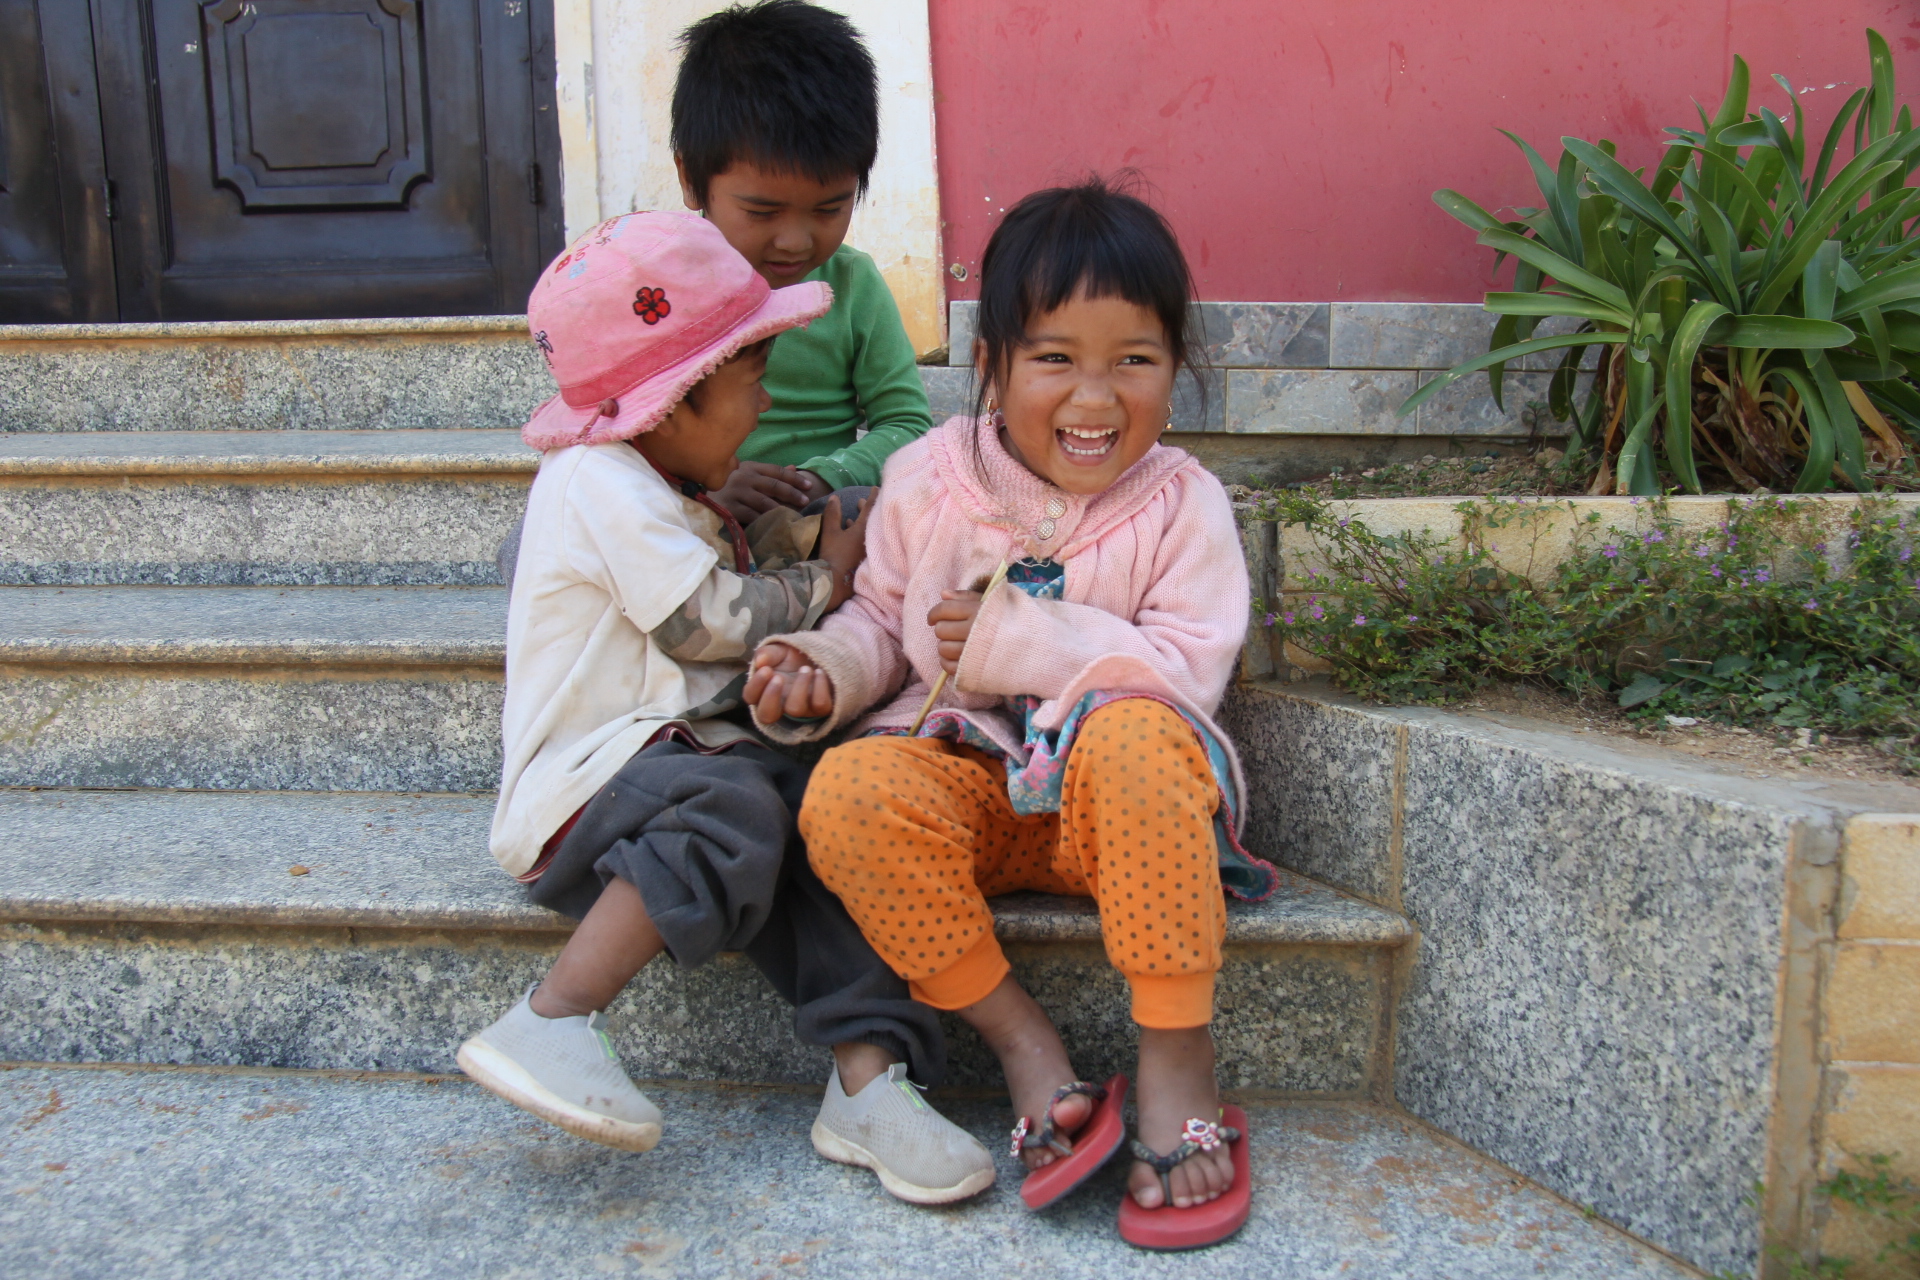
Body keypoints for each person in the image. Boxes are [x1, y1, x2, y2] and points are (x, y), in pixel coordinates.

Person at [743, 179, 1275, 1249]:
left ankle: (1176, 1055)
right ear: (989, 368)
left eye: (1136, 358)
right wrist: (821, 663)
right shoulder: (925, 479)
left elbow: (1186, 672)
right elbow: (882, 623)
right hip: (968, 800)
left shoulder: (1184, 506)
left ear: (1179, 368)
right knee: (845, 788)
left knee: (1131, 726)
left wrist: (1023, 639)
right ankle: (1025, 1042)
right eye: (1055, 358)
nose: (1095, 394)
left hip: (1124, 817)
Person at [459, 210, 994, 1207]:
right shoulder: (591, 481)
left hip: (677, 772)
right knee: (744, 801)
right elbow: (705, 620)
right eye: (752, 375)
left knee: (826, 809)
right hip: (586, 796)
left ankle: (866, 1079)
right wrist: (829, 580)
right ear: (671, 402)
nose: (766, 398)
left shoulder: (658, 480)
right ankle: (556, 1015)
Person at [670, 0, 935, 525]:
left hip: (810, 512)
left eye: (829, 208)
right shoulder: (656, 288)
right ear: (690, 179)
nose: (795, 241)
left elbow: (907, 425)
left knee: (868, 509)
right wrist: (702, 490)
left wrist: (825, 476)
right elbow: (613, 430)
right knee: (537, 539)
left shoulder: (852, 284)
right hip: (689, 515)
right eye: (761, 211)